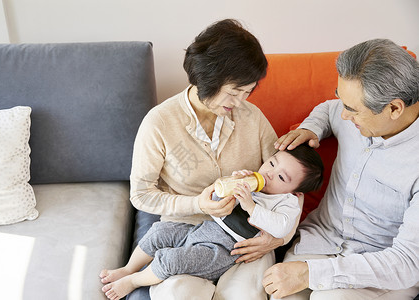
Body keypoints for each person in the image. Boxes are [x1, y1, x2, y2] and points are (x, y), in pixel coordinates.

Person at [100, 19, 301, 300]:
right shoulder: (159, 122)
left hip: (244, 238)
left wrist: (277, 239)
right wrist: (197, 203)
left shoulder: (252, 118)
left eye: (248, 91)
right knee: (177, 295)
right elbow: (142, 195)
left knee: (245, 296)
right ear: (208, 78)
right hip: (186, 232)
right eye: (234, 91)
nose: (241, 102)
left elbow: (290, 185)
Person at [263, 38, 419, 300]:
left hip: (379, 270)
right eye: (342, 100)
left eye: (352, 109)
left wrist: (310, 274)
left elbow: (406, 263)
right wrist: (311, 127)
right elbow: (329, 109)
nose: (344, 116)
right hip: (319, 240)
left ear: (394, 108)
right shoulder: (353, 114)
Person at [100, 145, 324, 300]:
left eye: (282, 178)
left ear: (295, 192)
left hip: (223, 249)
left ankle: (135, 281)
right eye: (272, 163)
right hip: (205, 227)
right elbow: (216, 210)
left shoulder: (286, 203)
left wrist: (251, 207)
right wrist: (229, 185)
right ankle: (129, 268)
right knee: (161, 231)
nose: (270, 174)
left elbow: (282, 227)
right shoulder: (252, 181)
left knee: (173, 259)